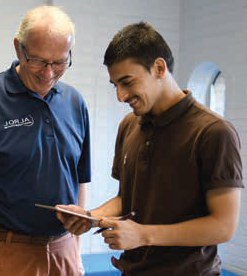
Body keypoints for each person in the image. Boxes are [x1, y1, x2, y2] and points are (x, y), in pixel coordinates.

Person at [57, 22, 243, 275]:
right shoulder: (129, 125)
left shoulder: (214, 132)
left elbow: (223, 226)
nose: (120, 96)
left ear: (159, 68)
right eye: (115, 85)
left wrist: (143, 235)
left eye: (127, 82)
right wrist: (91, 217)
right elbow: (129, 199)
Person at [0, 5, 90, 276]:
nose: (48, 73)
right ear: (18, 48)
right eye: (37, 60)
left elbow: (79, 178)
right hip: (7, 251)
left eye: (59, 62)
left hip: (65, 251)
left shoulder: (75, 102)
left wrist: (76, 249)